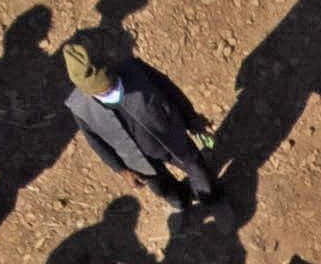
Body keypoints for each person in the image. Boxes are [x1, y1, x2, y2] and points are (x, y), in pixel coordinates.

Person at [65, 37, 218, 206]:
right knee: (162, 188)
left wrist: (192, 120)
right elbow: (96, 143)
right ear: (86, 92)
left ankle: (213, 200)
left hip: (170, 138)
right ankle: (181, 203)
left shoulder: (135, 70)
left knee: (196, 168)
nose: (108, 90)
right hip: (137, 160)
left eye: (111, 84)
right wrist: (122, 170)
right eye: (101, 92)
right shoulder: (79, 108)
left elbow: (171, 90)